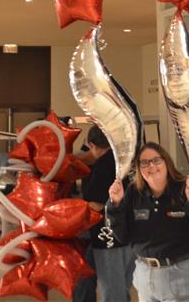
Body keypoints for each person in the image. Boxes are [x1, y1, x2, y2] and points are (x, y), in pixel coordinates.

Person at [107, 143, 189, 302]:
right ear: (139, 168)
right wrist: (116, 204)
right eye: (144, 162)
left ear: (167, 162)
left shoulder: (185, 188)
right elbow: (122, 237)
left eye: (156, 160)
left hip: (187, 276)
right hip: (147, 278)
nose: (151, 166)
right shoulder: (133, 193)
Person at [74, 126, 135, 302]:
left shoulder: (104, 164)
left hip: (107, 237)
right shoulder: (123, 159)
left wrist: (70, 210)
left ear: (91, 145)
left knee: (113, 291)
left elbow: (96, 204)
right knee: (120, 286)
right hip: (126, 234)